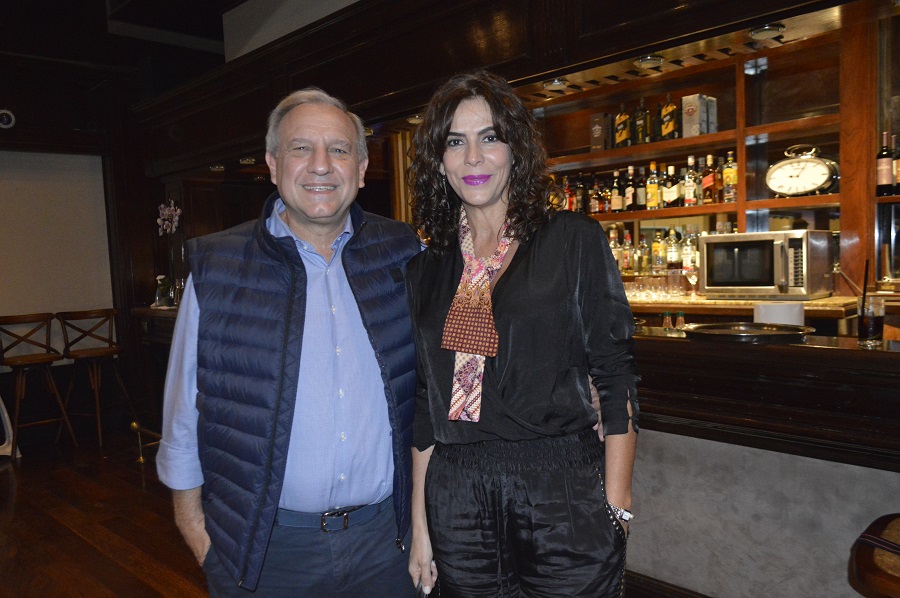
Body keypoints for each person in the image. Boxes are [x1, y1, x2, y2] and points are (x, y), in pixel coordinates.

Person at [156, 87, 421, 597]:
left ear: (362, 169)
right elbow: (183, 416)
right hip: (268, 554)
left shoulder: (403, 253)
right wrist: (200, 537)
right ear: (274, 165)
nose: (321, 165)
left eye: (339, 149)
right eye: (301, 148)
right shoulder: (217, 267)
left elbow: (437, 384)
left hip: (387, 547)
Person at [405, 69, 640, 597]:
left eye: (489, 137)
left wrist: (617, 503)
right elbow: (426, 404)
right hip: (458, 495)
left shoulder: (573, 241)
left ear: (516, 149)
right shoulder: (425, 271)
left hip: (561, 486)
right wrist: (420, 526)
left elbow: (616, 375)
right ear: (438, 162)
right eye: (455, 142)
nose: (473, 158)